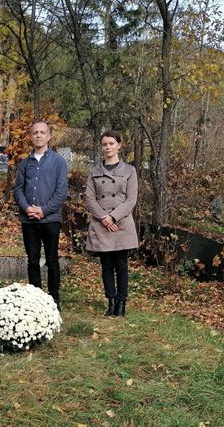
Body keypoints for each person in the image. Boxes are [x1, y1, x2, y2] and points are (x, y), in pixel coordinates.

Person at [13, 121, 68, 309]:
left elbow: (61, 192)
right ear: (31, 136)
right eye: (35, 132)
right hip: (28, 220)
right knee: (33, 259)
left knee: (52, 260)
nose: (38, 135)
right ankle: (36, 298)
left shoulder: (58, 161)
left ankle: (54, 299)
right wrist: (27, 208)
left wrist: (43, 210)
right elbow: (18, 189)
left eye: (42, 132)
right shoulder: (25, 163)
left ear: (49, 136)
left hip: (51, 219)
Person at [85, 131, 138, 317]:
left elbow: (131, 200)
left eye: (111, 143)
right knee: (106, 265)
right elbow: (90, 198)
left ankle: (122, 304)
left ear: (119, 145)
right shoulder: (94, 171)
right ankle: (111, 302)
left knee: (121, 265)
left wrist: (113, 217)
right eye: (105, 144)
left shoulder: (130, 171)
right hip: (101, 224)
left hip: (122, 224)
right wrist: (104, 218)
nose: (108, 147)